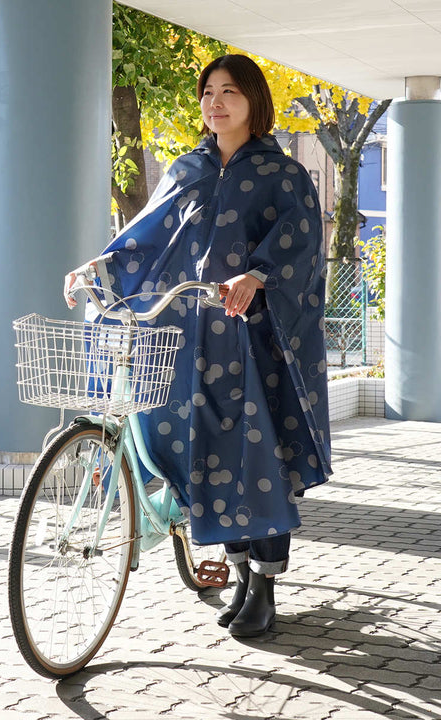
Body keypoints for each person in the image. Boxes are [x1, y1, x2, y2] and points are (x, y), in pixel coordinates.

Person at [64, 54, 332, 638]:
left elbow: (303, 247)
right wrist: (98, 270)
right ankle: (238, 575)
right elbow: (145, 238)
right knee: (205, 461)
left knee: (257, 462)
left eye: (229, 91)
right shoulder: (187, 169)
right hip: (189, 347)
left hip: (254, 345)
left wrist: (257, 275)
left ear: (253, 101)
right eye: (208, 91)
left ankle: (264, 586)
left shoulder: (282, 175)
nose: (216, 102)